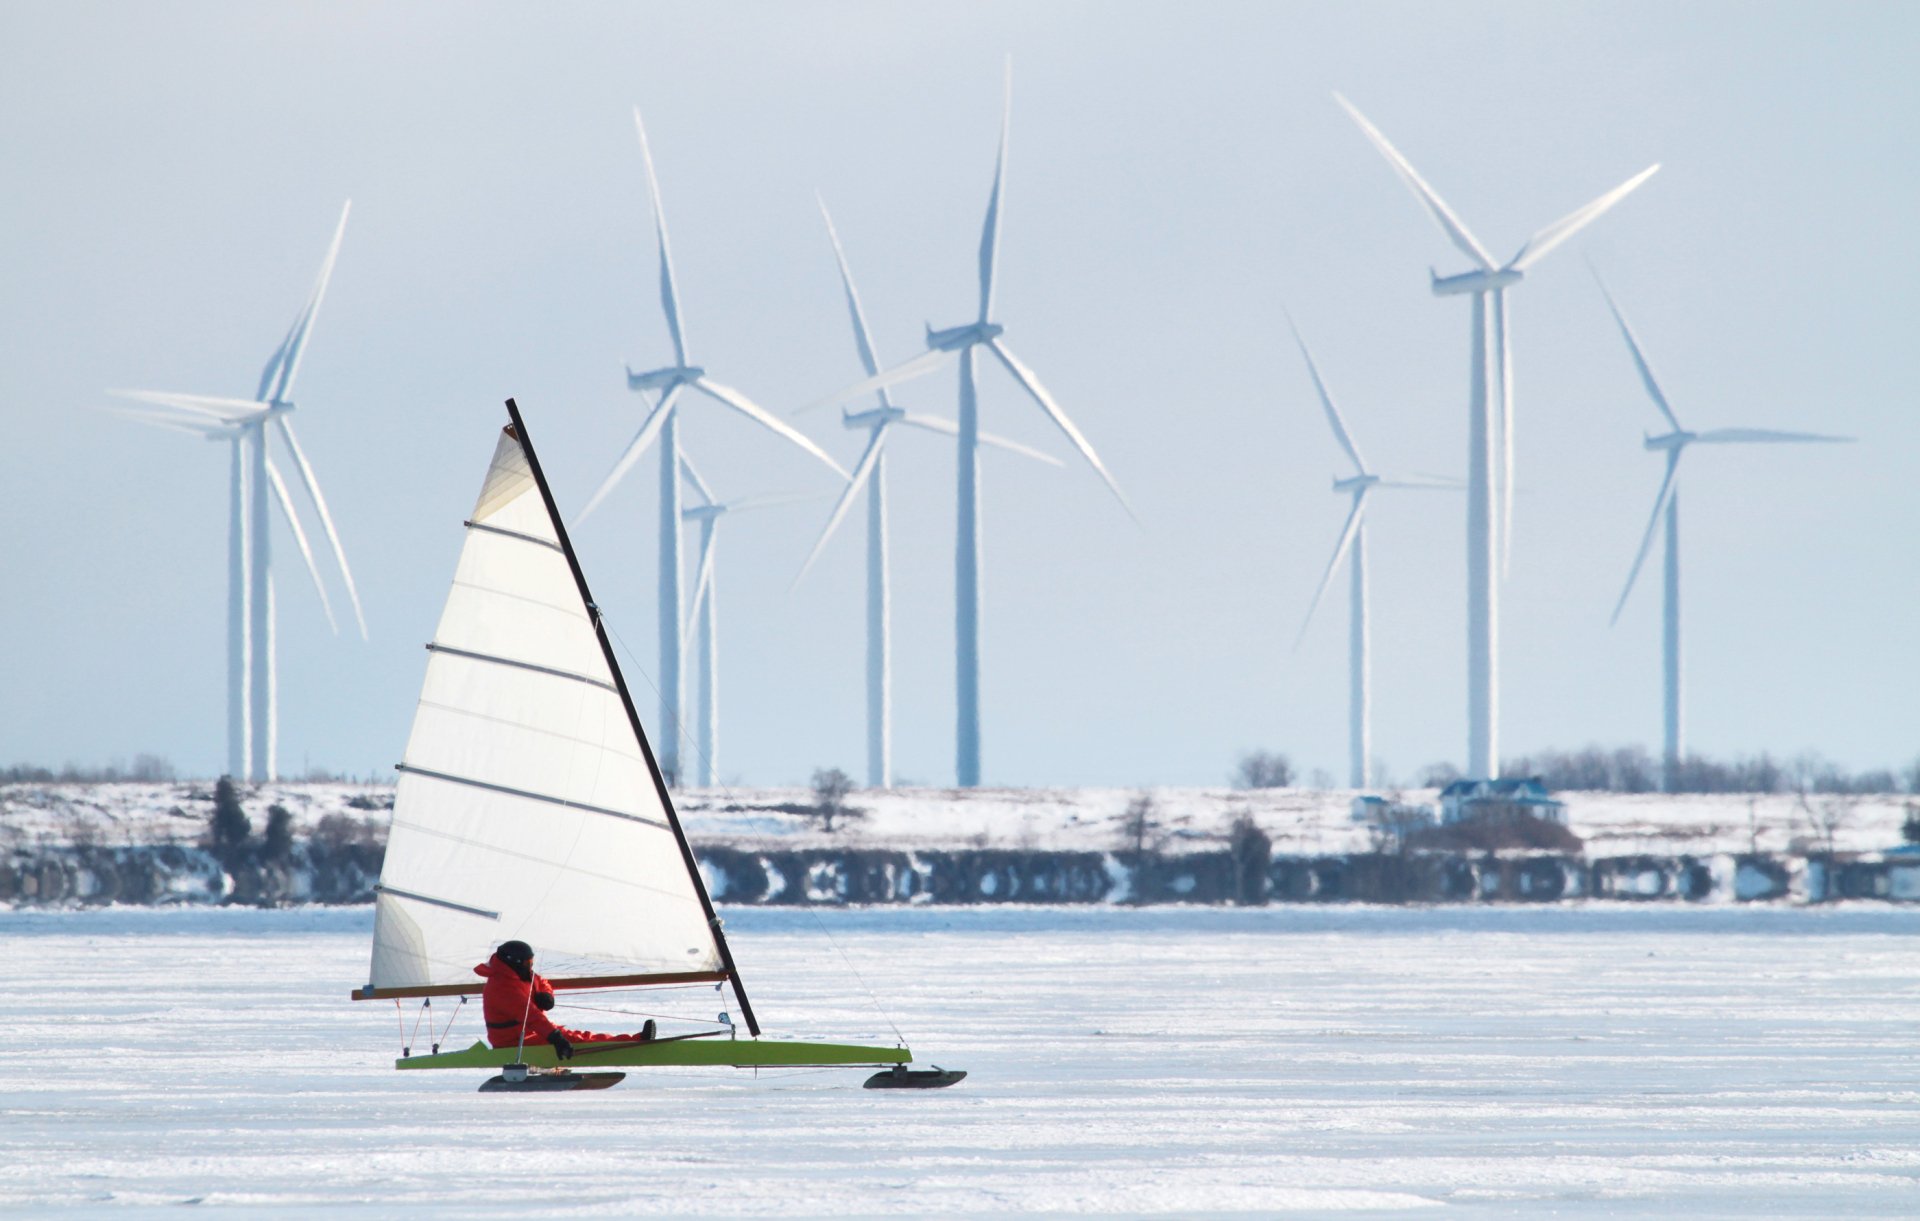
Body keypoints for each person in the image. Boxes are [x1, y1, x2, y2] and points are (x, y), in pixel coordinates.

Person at [474, 940, 655, 1060]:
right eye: (527, 964)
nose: (530, 967)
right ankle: (632, 1045)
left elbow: (540, 981)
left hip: (531, 1034)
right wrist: (556, 1039)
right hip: (514, 1042)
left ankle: (632, 1041)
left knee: (580, 1036)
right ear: (514, 962)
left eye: (531, 963)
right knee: (575, 1040)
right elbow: (533, 1017)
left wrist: (547, 994)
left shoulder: (517, 974)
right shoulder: (502, 987)